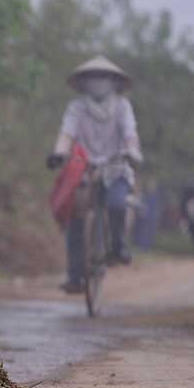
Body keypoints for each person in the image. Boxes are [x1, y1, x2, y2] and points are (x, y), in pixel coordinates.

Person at [47, 56, 143, 294]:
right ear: (84, 82)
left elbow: (130, 134)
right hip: (84, 168)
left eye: (104, 77)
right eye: (93, 77)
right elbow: (66, 133)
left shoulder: (122, 106)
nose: (98, 82)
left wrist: (132, 151)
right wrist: (59, 152)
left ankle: (118, 247)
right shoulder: (76, 107)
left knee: (117, 204)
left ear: (113, 82)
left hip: (117, 167)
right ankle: (75, 274)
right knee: (74, 215)